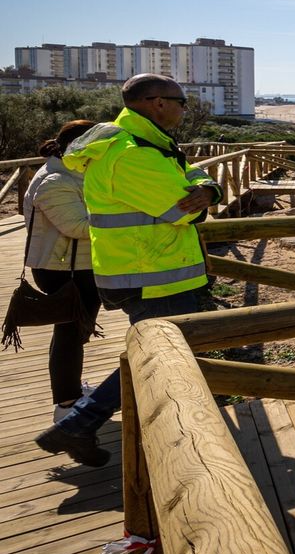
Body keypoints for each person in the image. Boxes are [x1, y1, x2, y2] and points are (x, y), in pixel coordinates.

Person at [35, 75, 221, 468]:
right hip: (153, 273)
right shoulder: (132, 153)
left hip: (142, 269)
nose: (184, 108)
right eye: (182, 101)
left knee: (158, 353)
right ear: (156, 102)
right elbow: (181, 209)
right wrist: (202, 199)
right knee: (154, 357)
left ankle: (103, 422)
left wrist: (209, 188)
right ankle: (79, 424)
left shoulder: (145, 144)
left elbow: (188, 180)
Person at [19, 119, 100, 422]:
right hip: (63, 269)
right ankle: (66, 406)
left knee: (74, 331)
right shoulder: (54, 181)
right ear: (80, 147)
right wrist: (122, 215)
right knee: (69, 333)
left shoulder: (69, 174)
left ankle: (71, 390)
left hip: (75, 266)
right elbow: (77, 226)